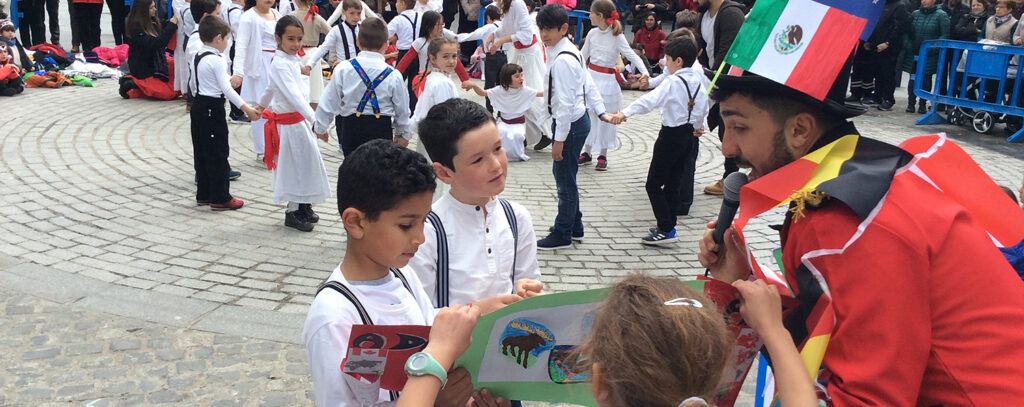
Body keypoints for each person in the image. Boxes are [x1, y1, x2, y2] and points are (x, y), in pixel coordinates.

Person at [697, 68, 1024, 405]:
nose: (727, 147)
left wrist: (772, 332)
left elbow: (869, 399)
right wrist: (744, 279)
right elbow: (829, 322)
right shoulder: (861, 171)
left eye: (739, 127)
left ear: (800, 130)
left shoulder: (848, 224)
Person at [303, 138, 520, 406]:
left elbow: (427, 332)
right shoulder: (336, 317)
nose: (421, 237)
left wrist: (479, 310)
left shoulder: (402, 276)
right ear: (356, 222)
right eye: (406, 225)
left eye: (424, 221)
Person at [408, 98, 544, 312]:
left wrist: (530, 292)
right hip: (454, 344)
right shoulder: (427, 231)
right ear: (444, 172)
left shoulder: (516, 217)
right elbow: (416, 315)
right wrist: (478, 310)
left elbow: (528, 278)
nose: (496, 165)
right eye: (478, 160)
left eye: (498, 148)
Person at [607, 36, 708, 245]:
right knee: (673, 184)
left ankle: (665, 227)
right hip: (688, 136)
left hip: (670, 138)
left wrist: (624, 112)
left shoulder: (673, 82)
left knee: (653, 184)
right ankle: (669, 226)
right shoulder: (699, 79)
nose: (664, 63)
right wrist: (699, 125)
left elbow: (648, 101)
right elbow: (703, 107)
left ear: (678, 61)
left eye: (667, 59)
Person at [534, 4, 610, 250]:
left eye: (549, 29)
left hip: (571, 124)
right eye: (541, 29)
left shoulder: (563, 59)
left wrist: (558, 140)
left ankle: (563, 232)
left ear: (564, 28)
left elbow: (565, 104)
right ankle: (574, 225)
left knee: (564, 180)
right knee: (566, 175)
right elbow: (587, 83)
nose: (544, 34)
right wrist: (600, 110)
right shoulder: (566, 50)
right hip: (576, 122)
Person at [258, 16, 331, 232]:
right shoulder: (280, 64)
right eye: (291, 39)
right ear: (278, 38)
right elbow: (293, 96)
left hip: (298, 123)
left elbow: (270, 89)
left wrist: (259, 106)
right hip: (289, 125)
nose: (296, 44)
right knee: (294, 167)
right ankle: (293, 210)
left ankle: (304, 204)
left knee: (306, 163)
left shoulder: (289, 61)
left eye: (299, 39)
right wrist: (316, 121)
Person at [189, 16, 259, 211]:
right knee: (218, 152)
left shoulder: (200, 54)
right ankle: (220, 196)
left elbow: (198, 83)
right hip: (213, 107)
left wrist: (229, 80)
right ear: (218, 38)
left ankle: (204, 192)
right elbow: (227, 91)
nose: (228, 43)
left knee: (202, 150)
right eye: (227, 39)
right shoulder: (216, 59)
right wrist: (247, 109)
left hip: (200, 105)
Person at [313, 17, 411, 156]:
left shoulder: (343, 68)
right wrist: (403, 133)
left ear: (358, 41)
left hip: (351, 129)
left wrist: (320, 128)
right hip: (381, 129)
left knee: (352, 171)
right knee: (381, 172)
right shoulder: (393, 75)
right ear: (386, 44)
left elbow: (329, 101)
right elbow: (402, 108)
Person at [579, 0, 648, 172]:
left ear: (600, 15)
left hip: (608, 82)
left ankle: (603, 154)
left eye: (592, 13)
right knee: (589, 115)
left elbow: (632, 55)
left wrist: (646, 73)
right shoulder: (592, 34)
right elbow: (581, 56)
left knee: (606, 118)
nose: (590, 15)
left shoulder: (617, 36)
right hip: (591, 78)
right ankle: (587, 151)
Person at [693, 0, 744, 195]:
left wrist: (710, 85)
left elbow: (728, 56)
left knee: (728, 132)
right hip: (714, 80)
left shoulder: (731, 14)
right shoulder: (704, 15)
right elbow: (700, 49)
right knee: (715, 128)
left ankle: (731, 179)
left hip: (732, 83)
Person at [489, 0, 552, 152]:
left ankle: (546, 131)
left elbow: (526, 34)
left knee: (528, 92)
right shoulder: (505, 5)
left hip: (528, 54)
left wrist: (501, 40)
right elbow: (506, 28)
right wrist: (494, 34)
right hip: (518, 52)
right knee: (515, 91)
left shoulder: (517, 3)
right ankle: (525, 134)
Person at [393, 11, 473, 112]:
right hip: (425, 81)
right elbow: (405, 62)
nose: (441, 27)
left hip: (444, 78)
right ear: (428, 26)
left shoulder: (444, 42)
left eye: (442, 24)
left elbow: (456, 62)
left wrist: (465, 79)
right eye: (438, 24)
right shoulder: (420, 42)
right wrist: (394, 76)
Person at [232, 0, 280, 160]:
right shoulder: (248, 17)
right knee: (260, 107)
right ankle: (263, 148)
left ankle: (276, 145)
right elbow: (241, 45)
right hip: (258, 66)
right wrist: (238, 72)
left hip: (277, 64)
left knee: (277, 106)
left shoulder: (277, 15)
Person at [468, 64, 544, 162]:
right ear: (507, 79)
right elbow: (482, 93)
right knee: (501, 133)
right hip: (503, 121)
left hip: (518, 123)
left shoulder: (526, 90)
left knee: (517, 135)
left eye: (521, 75)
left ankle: (518, 154)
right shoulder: (499, 90)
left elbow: (541, 93)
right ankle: (501, 155)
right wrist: (473, 85)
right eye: (517, 76)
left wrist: (554, 89)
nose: (521, 78)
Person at [410, 37, 463, 157]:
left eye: (454, 56)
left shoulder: (431, 77)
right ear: (433, 58)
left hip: (428, 136)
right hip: (439, 138)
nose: (451, 61)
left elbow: (419, 112)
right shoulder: (442, 83)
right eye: (445, 56)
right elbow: (446, 116)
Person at [120, 0, 180, 100]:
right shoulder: (136, 28)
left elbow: (163, 23)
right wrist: (171, 26)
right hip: (143, 68)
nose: (155, 10)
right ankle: (133, 83)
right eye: (152, 8)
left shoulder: (153, 21)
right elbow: (157, 43)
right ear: (143, 10)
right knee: (167, 94)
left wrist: (173, 22)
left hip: (154, 63)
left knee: (176, 68)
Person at [456, 5, 507, 114]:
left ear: (488, 17)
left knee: (489, 85)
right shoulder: (506, 26)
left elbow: (470, 36)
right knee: (502, 85)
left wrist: (454, 36)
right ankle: (501, 112)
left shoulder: (489, 27)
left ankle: (489, 110)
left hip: (492, 58)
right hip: (505, 56)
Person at [901, 0, 949, 114]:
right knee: (912, 77)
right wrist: (908, 45)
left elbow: (944, 35)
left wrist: (932, 48)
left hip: (929, 54)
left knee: (926, 78)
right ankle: (910, 103)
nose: (924, 1)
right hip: (914, 52)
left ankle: (922, 104)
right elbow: (906, 31)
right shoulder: (915, 14)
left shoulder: (941, 15)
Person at [287, 0, 330, 108]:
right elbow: (331, 33)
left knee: (296, 88)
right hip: (313, 55)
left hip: (295, 54)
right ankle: (313, 119)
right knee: (314, 90)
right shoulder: (317, 17)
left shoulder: (291, 17)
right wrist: (323, 48)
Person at [871, 0, 910, 111]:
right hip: (878, 44)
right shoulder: (882, 5)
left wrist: (888, 43)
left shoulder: (900, 6)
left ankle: (888, 98)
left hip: (890, 47)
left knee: (888, 73)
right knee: (878, 72)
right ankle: (878, 96)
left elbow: (899, 28)